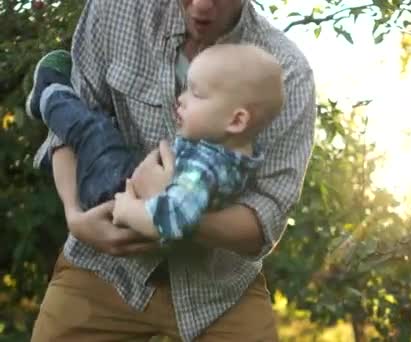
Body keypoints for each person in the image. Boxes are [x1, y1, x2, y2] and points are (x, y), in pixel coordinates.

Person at [29, 0, 316, 341]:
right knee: (89, 131)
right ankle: (50, 94)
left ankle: (50, 90)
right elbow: (71, 126)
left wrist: (164, 203)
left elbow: (267, 214)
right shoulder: (115, 9)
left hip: (218, 287)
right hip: (104, 265)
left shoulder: (287, 73)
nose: (201, 7)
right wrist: (75, 215)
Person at [28, 44, 284, 244]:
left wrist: (129, 208)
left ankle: (49, 94)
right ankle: (79, 151)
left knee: (94, 130)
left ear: (236, 120)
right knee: (102, 133)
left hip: (115, 195)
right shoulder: (237, 154)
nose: (181, 100)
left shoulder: (203, 168)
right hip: (126, 187)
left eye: (196, 93)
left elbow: (171, 217)